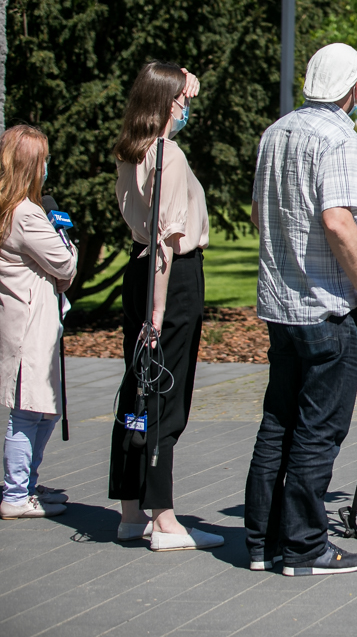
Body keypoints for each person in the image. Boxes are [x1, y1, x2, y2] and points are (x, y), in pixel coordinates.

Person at [245, 43, 357, 576]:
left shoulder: (276, 132)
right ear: (354, 86)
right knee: (317, 430)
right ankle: (305, 547)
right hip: (326, 307)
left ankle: (262, 542)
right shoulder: (338, 136)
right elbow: (337, 220)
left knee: (278, 423)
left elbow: (258, 213)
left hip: (281, 306)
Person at [109, 62, 222, 551]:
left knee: (137, 387)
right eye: (182, 101)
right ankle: (165, 519)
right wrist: (157, 314)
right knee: (164, 392)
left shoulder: (132, 150)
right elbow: (167, 240)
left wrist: (180, 82)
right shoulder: (167, 154)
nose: (187, 108)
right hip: (170, 279)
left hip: (139, 272)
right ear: (165, 104)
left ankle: (131, 511)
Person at [0, 126, 77, 519]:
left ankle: (27, 483)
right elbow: (64, 263)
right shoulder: (27, 215)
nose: (48, 167)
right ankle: (15, 495)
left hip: (30, 320)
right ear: (30, 166)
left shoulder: (13, 209)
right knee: (29, 409)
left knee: (43, 408)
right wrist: (67, 247)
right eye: (43, 160)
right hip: (30, 324)